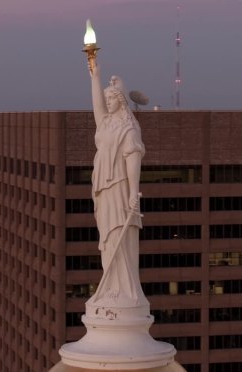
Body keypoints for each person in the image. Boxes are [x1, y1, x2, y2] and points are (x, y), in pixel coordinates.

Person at [86, 61, 148, 308]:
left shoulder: (129, 128)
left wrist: (134, 192)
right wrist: (95, 76)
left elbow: (133, 160)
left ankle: (123, 289)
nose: (107, 102)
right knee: (107, 237)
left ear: (121, 100)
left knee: (117, 234)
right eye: (106, 98)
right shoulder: (106, 123)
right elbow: (96, 105)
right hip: (102, 187)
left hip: (120, 187)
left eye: (111, 98)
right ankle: (110, 284)